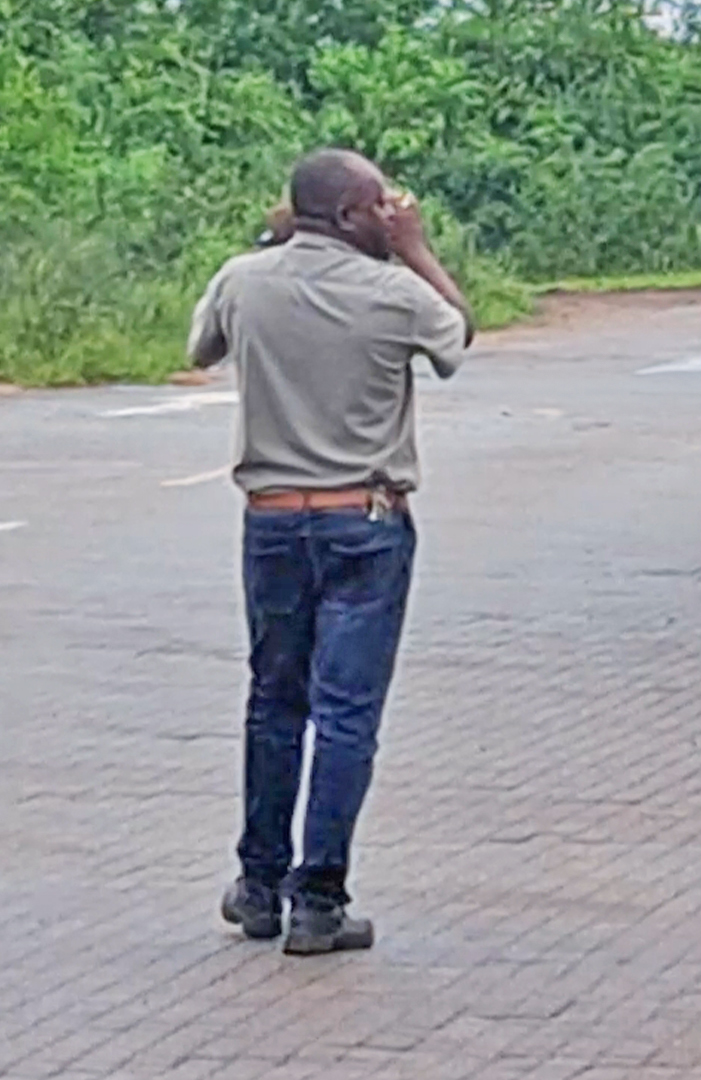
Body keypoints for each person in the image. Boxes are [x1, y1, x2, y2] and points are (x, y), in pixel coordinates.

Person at [186, 148, 474, 955]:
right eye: (381, 206)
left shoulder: (243, 278)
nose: (393, 215)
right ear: (352, 216)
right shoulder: (395, 293)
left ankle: (258, 884)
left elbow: (200, 348)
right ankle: (319, 897)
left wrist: (284, 242)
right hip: (367, 521)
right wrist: (416, 248)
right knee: (346, 712)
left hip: (272, 521)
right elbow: (459, 337)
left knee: (274, 700)